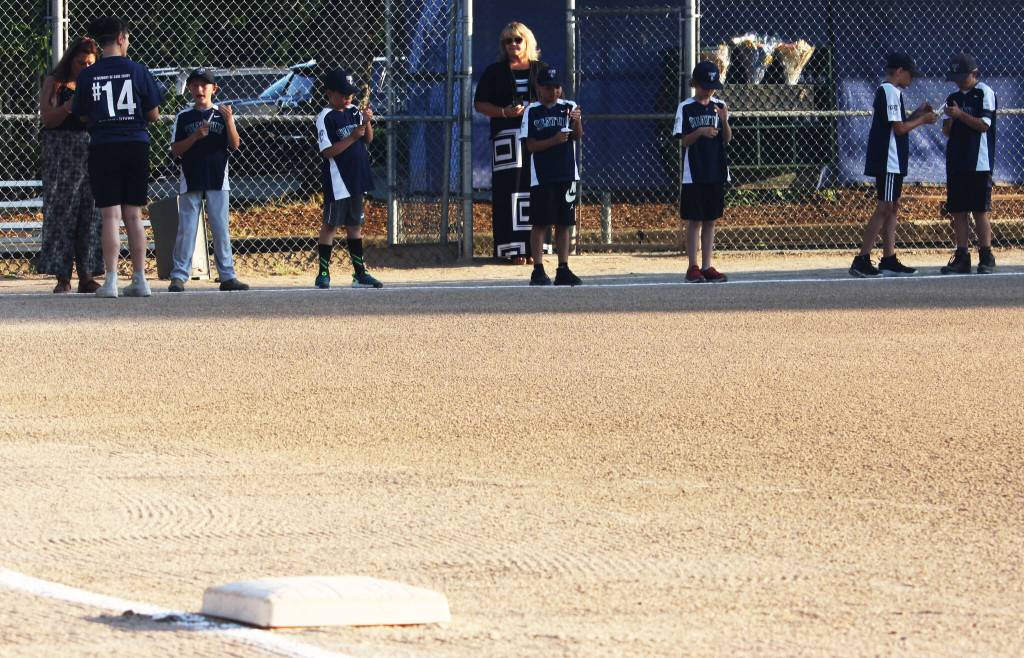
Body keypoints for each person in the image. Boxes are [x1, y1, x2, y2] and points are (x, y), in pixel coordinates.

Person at [72, 16, 164, 298]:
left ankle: (110, 280)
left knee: (110, 215)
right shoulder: (137, 70)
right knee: (134, 215)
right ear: (121, 38)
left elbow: (82, 113)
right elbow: (153, 114)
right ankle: (140, 278)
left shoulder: (88, 75)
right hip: (135, 143)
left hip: (104, 144)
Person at [850, 52, 937, 278]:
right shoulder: (888, 91)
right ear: (899, 71)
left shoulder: (893, 93)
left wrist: (917, 113)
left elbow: (897, 124)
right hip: (888, 160)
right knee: (885, 207)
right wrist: (923, 120)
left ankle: (889, 259)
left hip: (894, 160)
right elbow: (898, 129)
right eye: (909, 74)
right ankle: (861, 259)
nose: (912, 79)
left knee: (893, 207)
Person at [167, 68, 249, 292]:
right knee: (187, 228)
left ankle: (227, 275)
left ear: (214, 89)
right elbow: (175, 150)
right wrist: (194, 137)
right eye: (194, 85)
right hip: (191, 178)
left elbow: (234, 145)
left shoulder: (222, 114)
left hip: (217, 178)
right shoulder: (184, 116)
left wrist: (230, 120)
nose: (199, 89)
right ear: (190, 89)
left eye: (204, 85)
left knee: (220, 227)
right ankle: (179, 276)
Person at [474, 22, 548, 264]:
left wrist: (534, 110)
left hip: (539, 139)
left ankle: (536, 248)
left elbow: (556, 97)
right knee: (509, 192)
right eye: (508, 41)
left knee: (536, 190)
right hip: (507, 141)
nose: (513, 45)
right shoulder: (494, 71)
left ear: (527, 42)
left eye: (518, 39)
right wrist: (505, 112)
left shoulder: (542, 70)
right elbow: (480, 104)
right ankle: (512, 249)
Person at [36, 36, 103, 294]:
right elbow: (48, 119)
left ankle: (86, 275)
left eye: (89, 63)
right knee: (62, 210)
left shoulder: (97, 82)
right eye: (80, 63)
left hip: (91, 146)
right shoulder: (56, 82)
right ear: (70, 60)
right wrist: (66, 107)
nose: (85, 68)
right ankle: (62, 276)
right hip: (62, 149)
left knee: (91, 209)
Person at [313, 68, 382, 289]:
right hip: (338, 181)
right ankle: (323, 273)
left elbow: (368, 139)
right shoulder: (325, 117)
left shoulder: (353, 111)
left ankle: (360, 273)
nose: (348, 98)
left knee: (355, 226)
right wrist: (353, 137)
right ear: (329, 94)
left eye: (350, 93)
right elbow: (328, 151)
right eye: (342, 94)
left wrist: (366, 121)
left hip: (357, 179)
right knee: (330, 226)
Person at [520, 66, 582, 286]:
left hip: (566, 173)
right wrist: (553, 141)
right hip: (543, 176)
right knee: (540, 223)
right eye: (548, 87)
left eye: (556, 87)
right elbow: (531, 145)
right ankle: (538, 269)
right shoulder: (532, 111)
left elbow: (576, 136)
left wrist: (577, 120)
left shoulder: (569, 107)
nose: (553, 91)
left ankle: (563, 267)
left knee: (564, 222)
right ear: (539, 88)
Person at [673, 61, 732, 283]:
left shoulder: (720, 105)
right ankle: (693, 266)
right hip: (694, 172)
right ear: (695, 84)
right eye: (705, 85)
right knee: (695, 220)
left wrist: (724, 121)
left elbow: (726, 139)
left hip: (715, 169)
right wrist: (700, 131)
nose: (710, 90)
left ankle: (707, 265)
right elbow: (683, 141)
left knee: (710, 220)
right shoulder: (686, 107)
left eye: (713, 86)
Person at [940, 53, 998, 275]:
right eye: (956, 77)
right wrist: (952, 116)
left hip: (978, 161)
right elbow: (946, 130)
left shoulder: (984, 92)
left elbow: (984, 125)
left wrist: (960, 114)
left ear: (974, 74)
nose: (958, 81)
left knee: (980, 209)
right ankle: (962, 255)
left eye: (963, 76)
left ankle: (986, 255)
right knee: (958, 210)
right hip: (957, 160)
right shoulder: (952, 96)